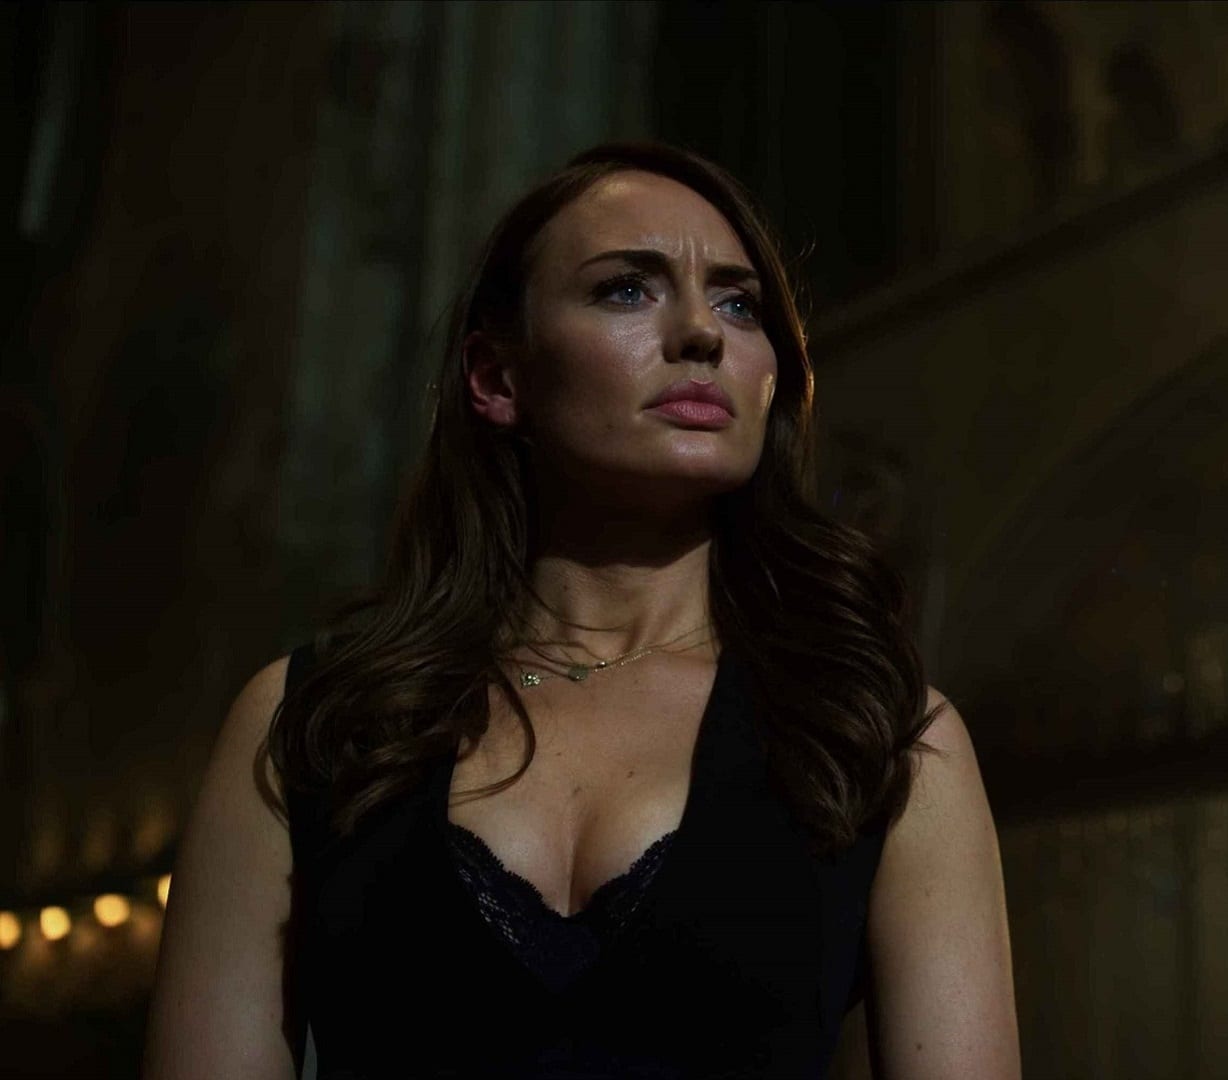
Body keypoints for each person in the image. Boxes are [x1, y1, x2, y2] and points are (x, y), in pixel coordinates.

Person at [144, 143, 1020, 1079]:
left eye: (739, 304)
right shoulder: (313, 720)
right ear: (497, 378)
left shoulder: (878, 735)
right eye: (626, 290)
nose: (703, 333)